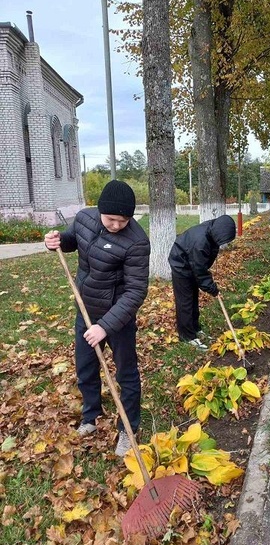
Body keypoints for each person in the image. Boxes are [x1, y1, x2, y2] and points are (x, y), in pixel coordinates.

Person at [44, 180, 150, 457]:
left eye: (123, 220)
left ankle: (128, 429)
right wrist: (56, 241)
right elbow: (72, 240)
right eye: (111, 219)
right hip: (86, 308)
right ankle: (90, 417)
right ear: (100, 211)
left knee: (126, 373)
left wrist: (105, 326)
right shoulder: (84, 218)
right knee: (86, 367)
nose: (116, 225)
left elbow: (136, 291)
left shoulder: (137, 242)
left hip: (117, 317)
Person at [168, 215, 236, 351]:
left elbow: (201, 267)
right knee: (185, 302)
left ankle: (195, 328)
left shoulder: (212, 231)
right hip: (181, 265)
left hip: (190, 261)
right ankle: (187, 337)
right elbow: (200, 271)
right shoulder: (200, 243)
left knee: (193, 298)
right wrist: (213, 289)